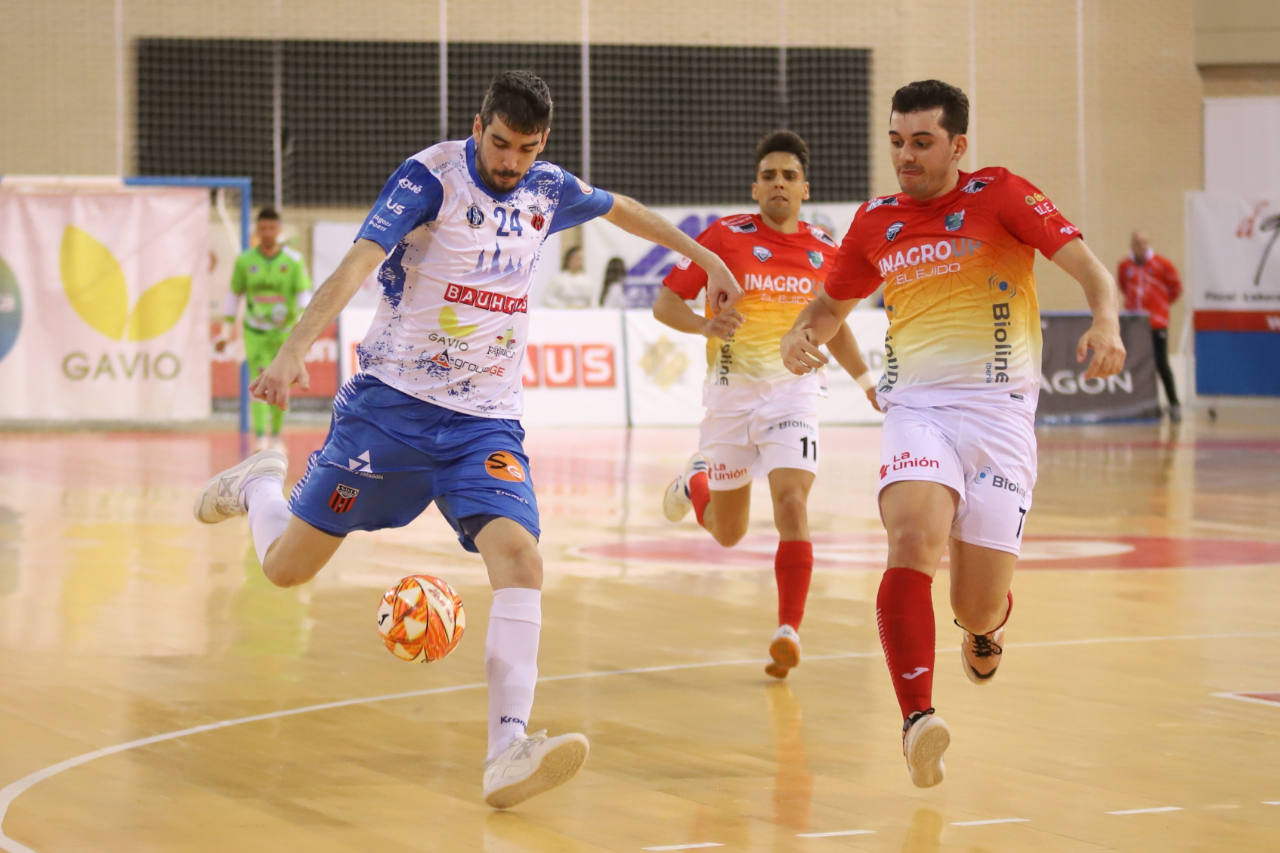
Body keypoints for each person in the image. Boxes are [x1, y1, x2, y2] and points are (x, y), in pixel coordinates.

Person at [193, 70, 742, 809]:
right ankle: (259, 483)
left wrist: (707, 257)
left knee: (521, 558)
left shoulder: (547, 188)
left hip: (484, 423)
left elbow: (622, 209)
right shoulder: (430, 180)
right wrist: (296, 347)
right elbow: (357, 264)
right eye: (501, 143)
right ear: (478, 126)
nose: (511, 162)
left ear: (543, 143)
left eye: (527, 148)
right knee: (286, 569)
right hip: (389, 410)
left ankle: (506, 751)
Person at [780, 80, 1125, 788]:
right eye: (896, 142)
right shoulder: (876, 220)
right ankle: (917, 720)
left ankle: (987, 625)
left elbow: (1090, 268)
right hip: (919, 409)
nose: (905, 156)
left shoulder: (1002, 194)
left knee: (974, 602)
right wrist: (799, 333)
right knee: (911, 538)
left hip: (1001, 417)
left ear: (958, 145)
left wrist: (1106, 321)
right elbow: (828, 308)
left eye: (922, 142)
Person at [656, 130, 878, 679]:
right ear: (755, 188)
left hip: (793, 395)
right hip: (730, 397)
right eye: (769, 176)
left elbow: (835, 324)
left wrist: (867, 381)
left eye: (789, 176)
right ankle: (694, 482)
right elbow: (665, 303)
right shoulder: (722, 239)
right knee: (728, 532)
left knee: (792, 505)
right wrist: (704, 325)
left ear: (805, 189)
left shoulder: (826, 249)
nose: (779, 183)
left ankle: (787, 631)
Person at [218, 207, 313, 451]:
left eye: (272, 228)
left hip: (284, 333)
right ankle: (260, 437)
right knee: (258, 381)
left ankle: (277, 438)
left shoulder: (293, 260)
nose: (268, 232)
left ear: (279, 229)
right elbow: (233, 295)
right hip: (255, 332)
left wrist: (302, 325)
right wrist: (225, 330)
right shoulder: (245, 261)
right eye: (263, 228)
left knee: (282, 382)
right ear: (257, 231)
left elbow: (303, 294)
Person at [1117, 230, 1182, 421]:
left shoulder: (1162, 264)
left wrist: (1160, 307)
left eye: (1144, 243)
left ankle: (1174, 403)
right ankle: (1143, 405)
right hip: (1135, 324)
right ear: (1132, 245)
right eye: (1137, 243)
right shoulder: (1125, 266)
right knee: (1137, 364)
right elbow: (1123, 286)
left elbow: (1176, 289)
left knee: (1161, 363)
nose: (1141, 247)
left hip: (1156, 323)